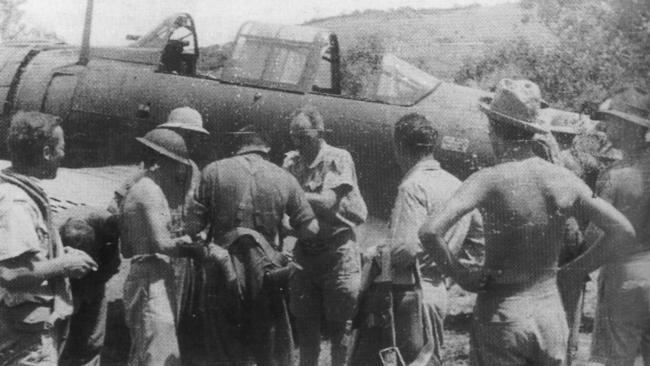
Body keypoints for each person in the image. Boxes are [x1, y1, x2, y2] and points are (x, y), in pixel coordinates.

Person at [418, 79, 637, 366]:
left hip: (503, 315)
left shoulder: (488, 179)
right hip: (550, 315)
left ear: (493, 128)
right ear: (533, 131)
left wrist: (460, 275)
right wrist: (574, 271)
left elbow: (430, 231)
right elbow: (623, 230)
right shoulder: (562, 178)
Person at [350, 113, 484, 365]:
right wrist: (451, 272)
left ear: (400, 146)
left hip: (409, 295)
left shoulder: (412, 186)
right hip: (437, 292)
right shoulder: (457, 185)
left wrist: (374, 253)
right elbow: (477, 247)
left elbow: (404, 249)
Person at [187, 125, 318, 365]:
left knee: (222, 346)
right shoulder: (284, 178)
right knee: (268, 347)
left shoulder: (213, 171)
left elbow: (192, 227)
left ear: (238, 147)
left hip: (223, 268)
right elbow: (311, 229)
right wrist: (284, 228)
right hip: (267, 273)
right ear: (265, 150)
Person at [0, 111, 97, 365]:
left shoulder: (18, 192)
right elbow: (13, 273)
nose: (63, 155)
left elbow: (28, 254)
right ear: (46, 153)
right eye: (61, 148)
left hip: (26, 330)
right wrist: (64, 265)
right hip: (25, 341)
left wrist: (61, 255)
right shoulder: (17, 203)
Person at [283, 105, 368, 366]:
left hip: (337, 253)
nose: (298, 142)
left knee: (339, 329)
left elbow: (327, 201)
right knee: (305, 327)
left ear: (319, 132)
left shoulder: (337, 157)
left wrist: (291, 190)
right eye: (294, 136)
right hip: (306, 253)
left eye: (304, 135)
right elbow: (282, 210)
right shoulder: (292, 162)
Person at [117, 128, 198, 366]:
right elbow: (162, 243)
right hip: (150, 278)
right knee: (159, 353)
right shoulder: (149, 191)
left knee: (146, 349)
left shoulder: (144, 188)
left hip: (148, 272)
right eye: (176, 164)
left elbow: (127, 249)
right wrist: (192, 248)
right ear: (160, 161)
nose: (179, 170)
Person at [588, 87, 650, 366]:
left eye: (611, 120)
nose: (605, 126)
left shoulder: (615, 175)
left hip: (625, 275)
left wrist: (574, 267)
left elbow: (595, 235)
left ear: (627, 126)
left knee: (617, 358)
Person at [57, 206, 120, 366]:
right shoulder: (56, 231)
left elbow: (113, 265)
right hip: (65, 280)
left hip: (96, 279)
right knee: (59, 335)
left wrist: (92, 286)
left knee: (92, 340)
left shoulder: (108, 225)